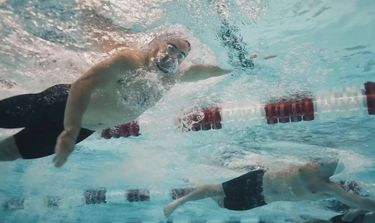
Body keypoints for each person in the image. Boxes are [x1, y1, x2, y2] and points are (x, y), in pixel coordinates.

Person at [0, 36, 231, 166]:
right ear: (158, 44)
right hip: (58, 105)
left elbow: (211, 71)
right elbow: (83, 84)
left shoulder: (174, 76)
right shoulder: (131, 60)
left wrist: (238, 63)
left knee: (8, 153)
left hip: (83, 129)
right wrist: (70, 130)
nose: (174, 56)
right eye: (171, 48)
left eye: (181, 55)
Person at [163, 160, 375, 218]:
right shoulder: (309, 166)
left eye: (331, 163)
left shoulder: (331, 188)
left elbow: (360, 203)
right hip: (257, 181)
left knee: (222, 202)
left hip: (258, 201)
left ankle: (193, 186)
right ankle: (178, 202)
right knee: (213, 188)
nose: (325, 162)